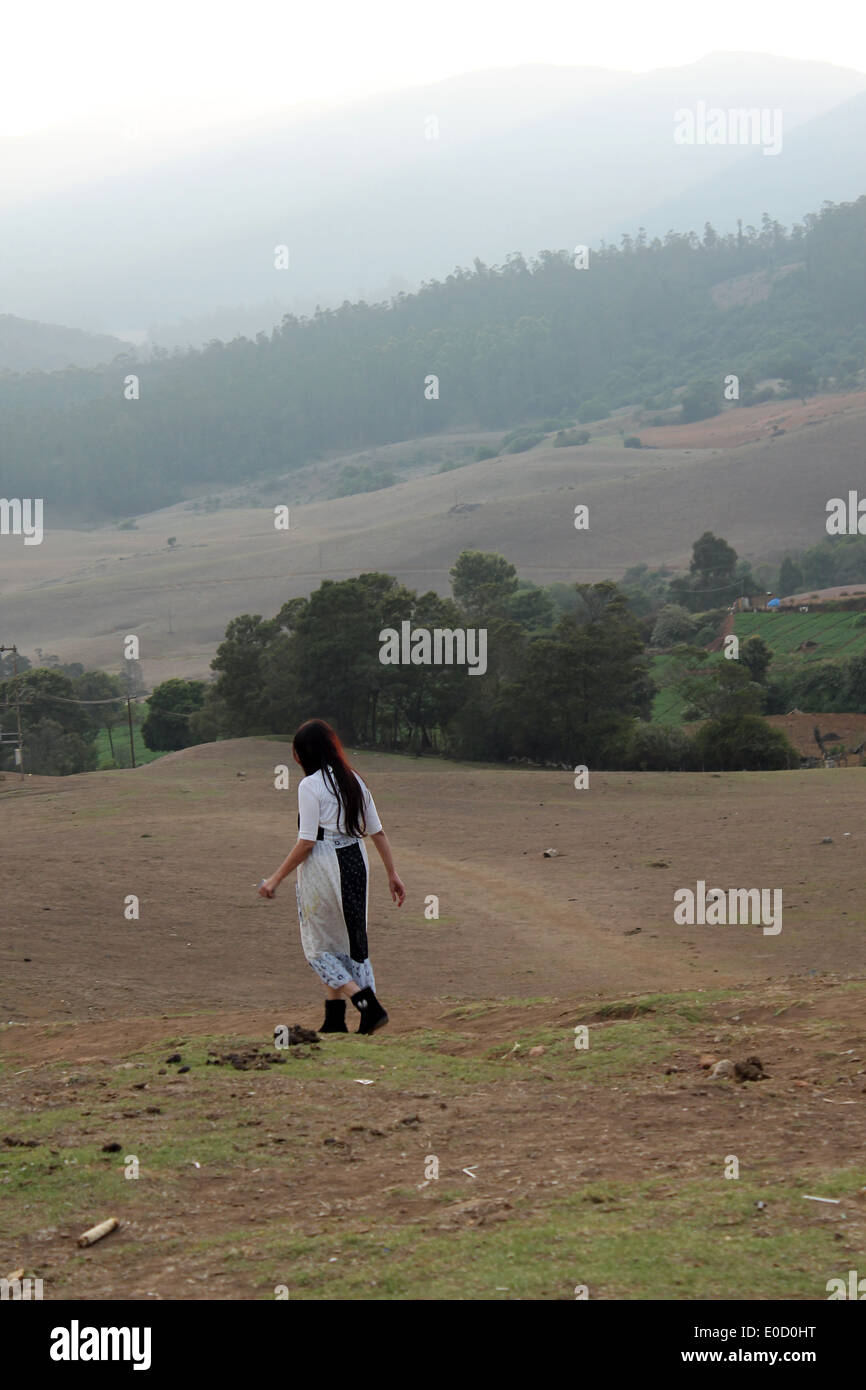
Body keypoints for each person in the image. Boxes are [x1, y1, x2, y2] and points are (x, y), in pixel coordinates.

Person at [258, 718, 405, 1034]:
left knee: (318, 948)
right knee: (350, 941)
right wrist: (392, 873)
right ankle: (335, 1020)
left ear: (304, 754)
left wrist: (275, 878)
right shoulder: (354, 780)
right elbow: (377, 832)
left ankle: (368, 1006)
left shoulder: (309, 786)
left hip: (324, 865)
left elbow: (307, 841)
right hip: (356, 860)